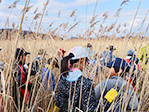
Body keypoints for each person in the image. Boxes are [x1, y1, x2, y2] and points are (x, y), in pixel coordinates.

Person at [55, 46, 96, 112]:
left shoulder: (62, 78)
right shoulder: (86, 83)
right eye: (87, 61)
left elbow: (57, 102)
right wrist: (106, 101)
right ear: (82, 60)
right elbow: (90, 109)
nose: (86, 64)